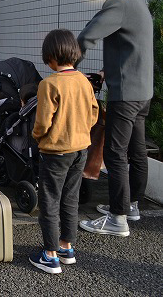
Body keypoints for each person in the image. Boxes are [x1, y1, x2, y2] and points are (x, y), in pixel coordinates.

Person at [77, 0, 154, 237]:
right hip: (142, 91)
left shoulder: (118, 3)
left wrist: (67, 68)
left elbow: (87, 37)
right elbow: (133, 47)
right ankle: (130, 205)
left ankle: (117, 218)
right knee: (136, 151)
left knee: (115, 153)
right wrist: (107, 72)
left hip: (126, 94)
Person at [28, 29, 99, 274]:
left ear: (51, 57)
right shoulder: (84, 81)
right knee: (71, 198)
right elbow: (93, 113)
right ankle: (66, 246)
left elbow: (42, 123)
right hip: (81, 149)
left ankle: (50, 255)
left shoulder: (49, 84)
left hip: (55, 151)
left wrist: (38, 137)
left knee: (49, 201)